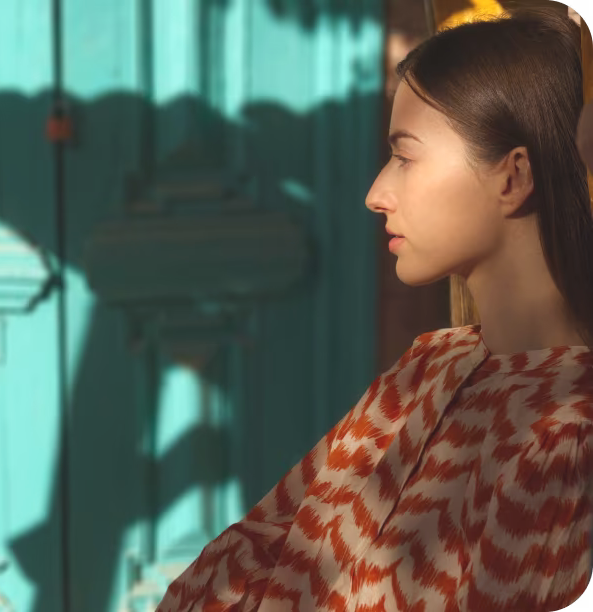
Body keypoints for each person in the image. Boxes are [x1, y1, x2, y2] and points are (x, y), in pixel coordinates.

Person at [156, 6, 593, 611]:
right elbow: (256, 548)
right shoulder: (430, 363)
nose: (375, 194)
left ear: (512, 178)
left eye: (405, 157)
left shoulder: (566, 438)